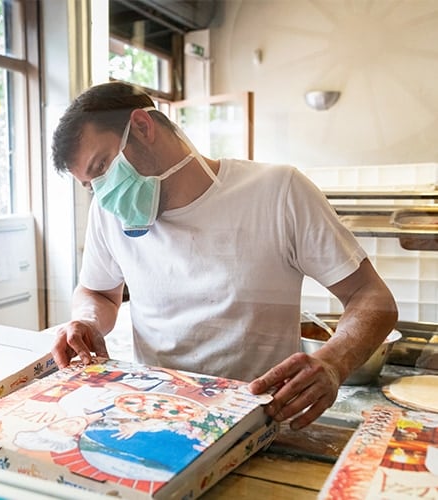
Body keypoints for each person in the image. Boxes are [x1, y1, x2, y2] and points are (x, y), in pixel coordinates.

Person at [50, 81, 398, 430]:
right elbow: (97, 292)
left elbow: (370, 296)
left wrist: (333, 362)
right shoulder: (108, 215)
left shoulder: (277, 192)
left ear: (142, 127)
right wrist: (87, 321)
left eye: (103, 167)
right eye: (91, 183)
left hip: (258, 423)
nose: (103, 193)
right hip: (156, 417)